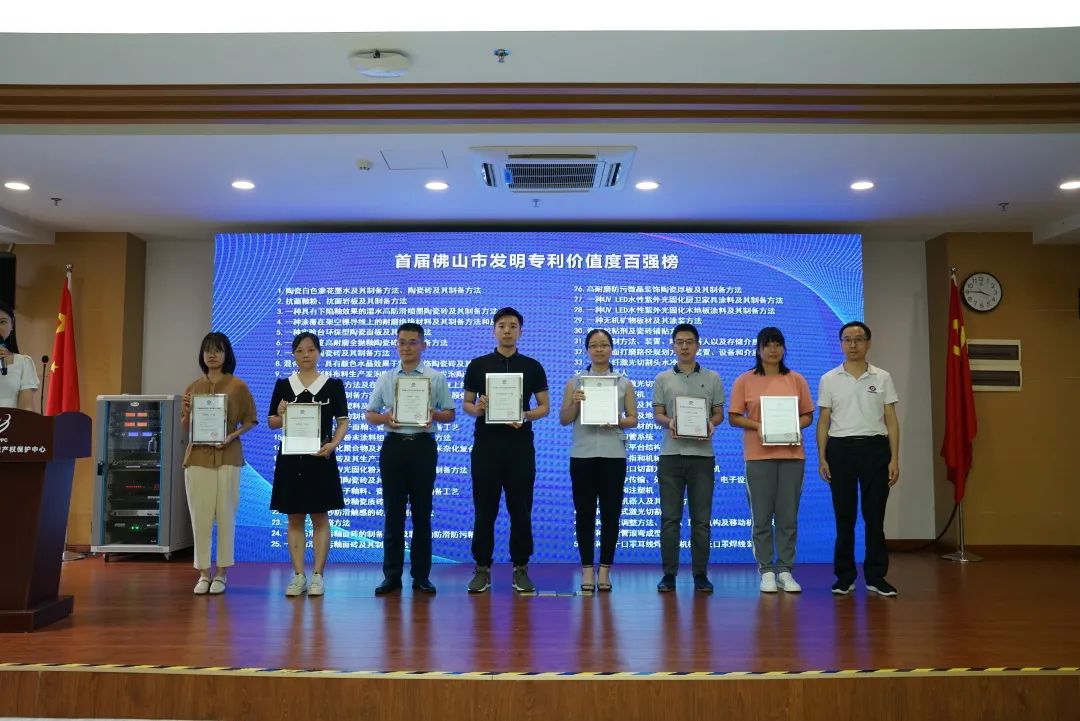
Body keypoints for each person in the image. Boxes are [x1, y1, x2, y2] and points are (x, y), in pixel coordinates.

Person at [462, 307, 550, 594]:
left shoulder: (532, 366)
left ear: (521, 331)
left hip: (519, 447)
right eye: (502, 325)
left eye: (513, 326)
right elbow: (467, 404)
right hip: (486, 446)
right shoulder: (478, 365)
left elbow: (544, 407)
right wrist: (479, 408)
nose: (507, 330)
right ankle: (482, 568)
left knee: (521, 509)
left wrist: (525, 415)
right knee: (484, 509)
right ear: (494, 330)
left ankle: (520, 568)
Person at [364, 322, 456, 595]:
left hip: (422, 447)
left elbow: (450, 413)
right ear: (396, 345)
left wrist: (433, 414)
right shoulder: (386, 378)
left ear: (423, 345)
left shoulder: (435, 378)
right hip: (393, 447)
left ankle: (421, 576)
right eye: (402, 342)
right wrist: (386, 418)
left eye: (412, 342)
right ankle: (391, 576)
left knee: (421, 514)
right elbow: (370, 414)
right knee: (393, 514)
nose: (406, 347)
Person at [816, 321, 901, 597]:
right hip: (840, 450)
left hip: (876, 450)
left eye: (859, 339)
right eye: (847, 339)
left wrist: (894, 458)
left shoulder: (882, 377)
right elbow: (823, 421)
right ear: (841, 343)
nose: (853, 345)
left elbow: (891, 419)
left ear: (868, 343)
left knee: (875, 517)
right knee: (845, 517)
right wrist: (822, 458)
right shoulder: (829, 378)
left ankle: (876, 576)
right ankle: (844, 576)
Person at [728, 327, 814, 594]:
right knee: (761, 516)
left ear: (784, 349)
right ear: (758, 349)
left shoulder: (796, 379)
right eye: (768, 345)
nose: (773, 349)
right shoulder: (745, 380)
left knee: (788, 516)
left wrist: (792, 426)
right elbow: (734, 417)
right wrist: (760, 426)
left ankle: (785, 570)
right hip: (758, 457)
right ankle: (766, 570)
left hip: (792, 456)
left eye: (778, 344)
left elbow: (808, 416)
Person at [268, 332, 349, 598]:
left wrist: (333, 444)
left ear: (319, 352)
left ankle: (317, 576)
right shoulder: (283, 385)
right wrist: (281, 414)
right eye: (300, 350)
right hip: (291, 460)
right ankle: (298, 575)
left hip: (320, 458)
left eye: (311, 349)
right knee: (294, 517)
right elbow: (272, 422)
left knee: (320, 517)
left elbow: (343, 422)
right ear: (293, 354)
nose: (305, 355)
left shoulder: (332, 385)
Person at [559, 329, 638, 592]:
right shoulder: (575, 382)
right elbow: (564, 419)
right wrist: (575, 402)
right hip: (582, 454)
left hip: (613, 454)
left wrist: (616, 420)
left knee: (611, 513)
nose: (599, 349)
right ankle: (586, 570)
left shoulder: (624, 382)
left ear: (612, 349)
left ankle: (605, 569)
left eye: (604, 345)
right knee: (584, 513)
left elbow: (633, 419)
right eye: (594, 345)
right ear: (587, 350)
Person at [179, 332, 258, 595]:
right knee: (200, 517)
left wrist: (231, 436)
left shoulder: (238, 386)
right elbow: (186, 426)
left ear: (227, 355)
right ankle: (203, 573)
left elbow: (251, 420)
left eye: (218, 350)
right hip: (197, 457)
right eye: (208, 350)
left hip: (228, 456)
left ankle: (222, 573)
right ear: (202, 355)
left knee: (226, 515)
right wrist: (187, 411)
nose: (212, 355)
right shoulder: (193, 388)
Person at [652, 323, 725, 593]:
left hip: (702, 457)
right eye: (679, 342)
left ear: (697, 345)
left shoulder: (713, 378)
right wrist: (670, 422)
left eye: (689, 341)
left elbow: (719, 414)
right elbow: (658, 414)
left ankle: (700, 575)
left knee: (701, 520)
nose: (684, 346)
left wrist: (710, 424)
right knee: (670, 519)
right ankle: (669, 575)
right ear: (673, 346)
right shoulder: (662, 379)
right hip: (671, 456)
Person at [0, 303, 39, 411]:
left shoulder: (23, 362)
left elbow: (26, 408)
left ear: (12, 325)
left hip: (10, 421)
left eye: (2, 322)